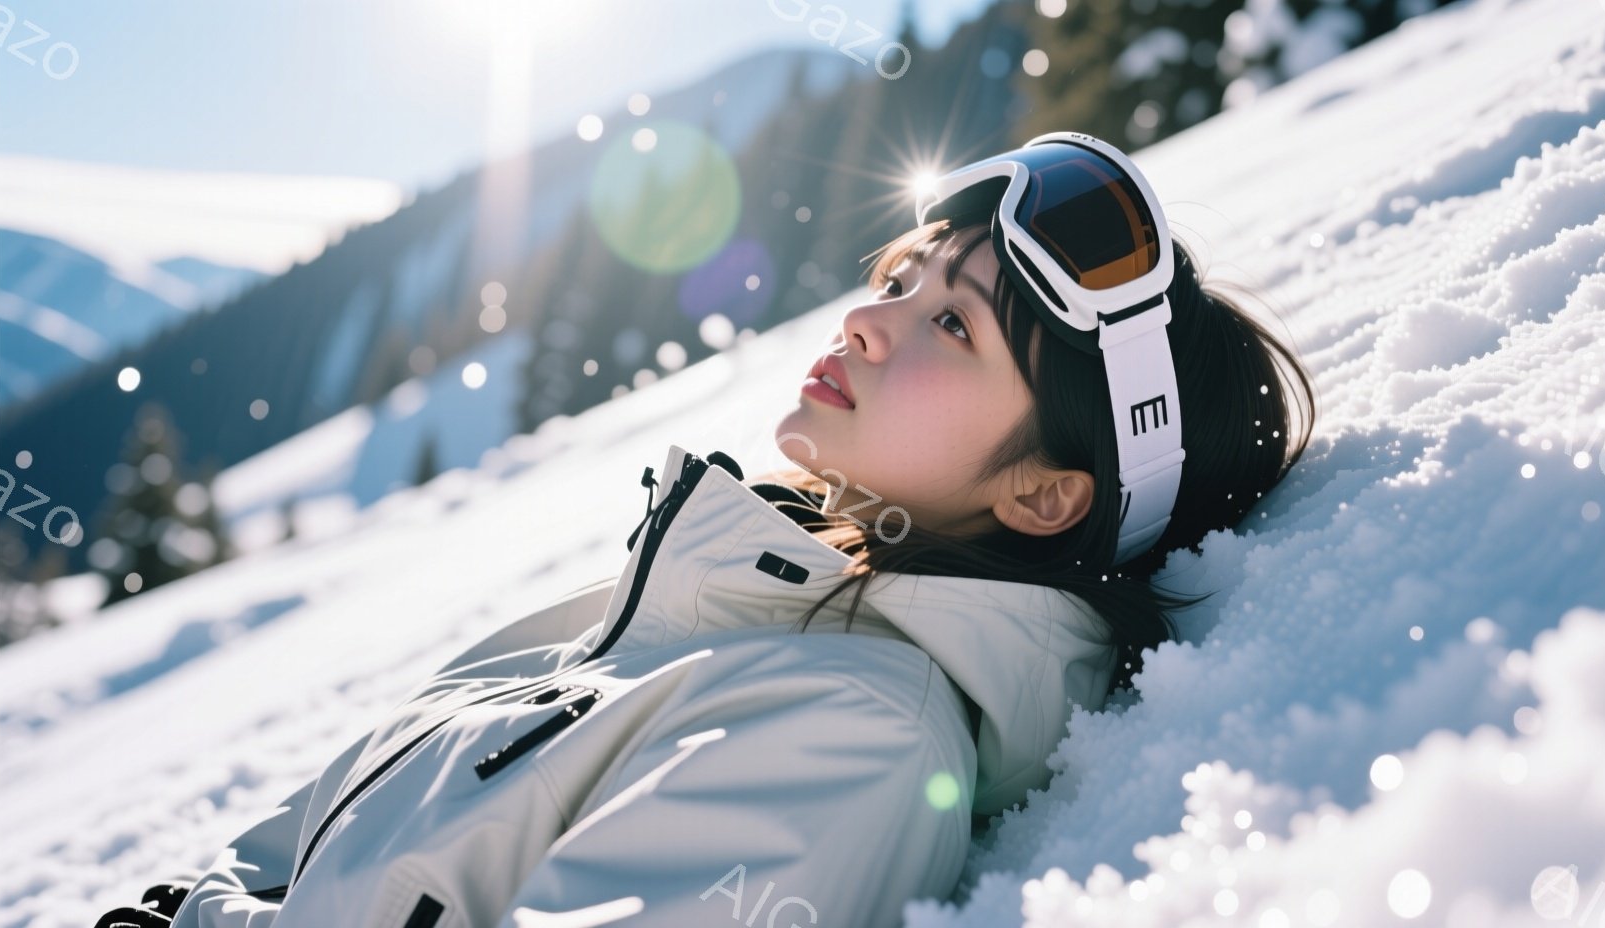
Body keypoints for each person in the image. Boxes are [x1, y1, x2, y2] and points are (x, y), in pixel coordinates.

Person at [98, 131, 1316, 928]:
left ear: (1044, 493)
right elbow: (309, 840)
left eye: (953, 326)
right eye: (901, 277)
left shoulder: (859, 732)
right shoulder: (700, 590)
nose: (866, 319)